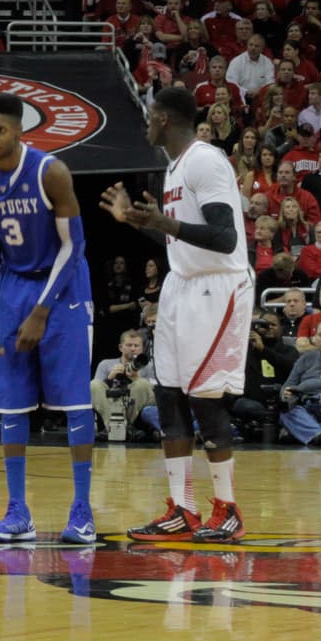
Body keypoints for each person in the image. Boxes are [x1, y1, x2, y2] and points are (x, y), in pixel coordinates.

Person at [102, 87, 252, 543]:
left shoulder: (206, 160)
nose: (147, 123)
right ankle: (183, 510)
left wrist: (165, 223)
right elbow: (181, 239)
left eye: (151, 115)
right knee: (168, 396)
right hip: (181, 285)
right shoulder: (172, 168)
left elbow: (225, 238)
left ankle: (227, 509)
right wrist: (139, 223)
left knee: (206, 401)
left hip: (217, 286)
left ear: (164, 117)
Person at [0, 93, 97, 544]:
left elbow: (73, 246)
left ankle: (82, 512)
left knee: (76, 400)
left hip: (65, 286)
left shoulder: (50, 172)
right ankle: (17, 513)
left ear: (20, 133)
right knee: (9, 401)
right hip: (15, 285)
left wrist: (43, 310)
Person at [91, 329, 156, 441]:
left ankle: (125, 427)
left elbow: (154, 395)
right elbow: (95, 391)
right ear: (121, 347)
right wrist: (109, 378)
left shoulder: (149, 367)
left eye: (136, 345)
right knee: (94, 384)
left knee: (143, 384)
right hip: (111, 406)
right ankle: (115, 427)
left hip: (134, 409)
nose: (133, 349)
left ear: (142, 348)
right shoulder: (105, 364)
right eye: (129, 345)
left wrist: (136, 378)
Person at [279, 321, 321, 445]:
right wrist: (285, 394)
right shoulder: (306, 358)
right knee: (289, 413)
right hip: (307, 405)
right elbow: (287, 385)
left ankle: (310, 434)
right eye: (320, 335)